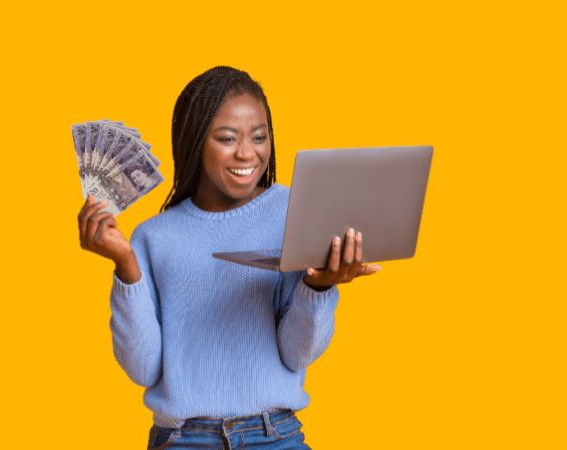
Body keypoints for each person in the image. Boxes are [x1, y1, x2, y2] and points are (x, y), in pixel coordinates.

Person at [78, 66, 381, 449]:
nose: (246, 153)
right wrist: (126, 267)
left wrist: (318, 286)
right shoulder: (152, 237)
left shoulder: (295, 211)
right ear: (195, 142)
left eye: (259, 137)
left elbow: (297, 354)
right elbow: (142, 369)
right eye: (226, 138)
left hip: (275, 437)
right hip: (182, 440)